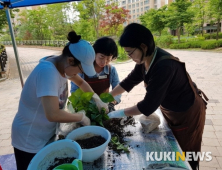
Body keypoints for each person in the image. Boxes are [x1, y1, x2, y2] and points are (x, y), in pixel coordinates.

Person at [108, 23, 208, 170]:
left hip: (187, 112)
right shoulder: (145, 59)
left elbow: (148, 106)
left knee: (186, 152)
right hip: (172, 108)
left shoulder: (164, 66)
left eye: (130, 52)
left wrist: (119, 113)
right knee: (174, 147)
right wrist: (107, 97)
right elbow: (130, 81)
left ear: (143, 47)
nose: (129, 56)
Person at [11, 31, 108, 170]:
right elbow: (53, 114)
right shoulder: (48, 72)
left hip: (45, 134)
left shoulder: (62, 66)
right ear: (70, 60)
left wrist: (96, 98)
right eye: (80, 69)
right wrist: (80, 117)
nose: (79, 74)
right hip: (29, 139)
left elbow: (81, 83)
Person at [70, 37, 121, 112]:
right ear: (94, 53)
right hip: (86, 108)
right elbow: (74, 91)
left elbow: (118, 88)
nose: (104, 62)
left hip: (105, 107)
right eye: (101, 57)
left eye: (108, 59)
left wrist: (112, 103)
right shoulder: (82, 69)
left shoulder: (111, 70)